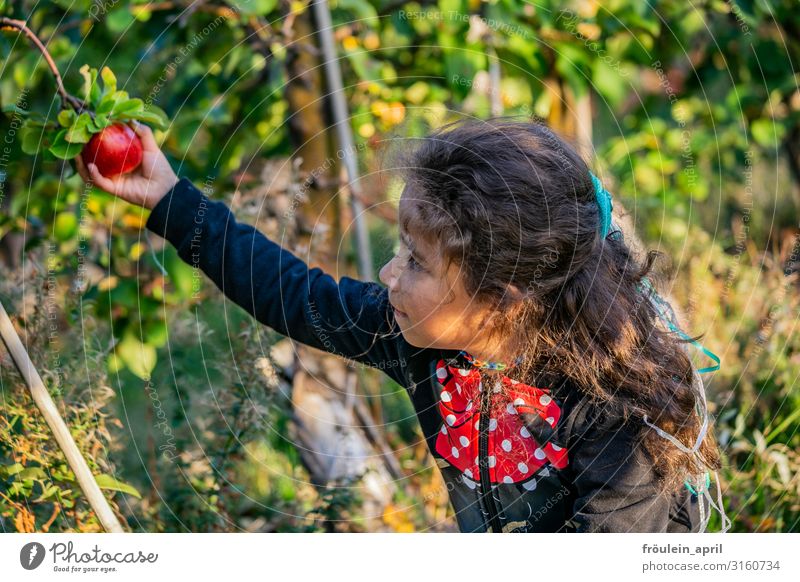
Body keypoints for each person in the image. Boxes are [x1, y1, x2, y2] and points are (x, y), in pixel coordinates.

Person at [75, 117, 725, 533]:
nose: (390, 274)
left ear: (505, 301)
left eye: (416, 261)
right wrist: (169, 198)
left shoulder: (610, 411)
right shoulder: (423, 344)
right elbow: (293, 295)